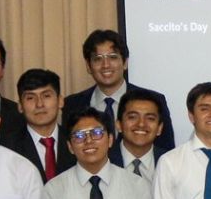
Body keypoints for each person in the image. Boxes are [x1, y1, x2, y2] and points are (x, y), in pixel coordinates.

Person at [62, 29, 176, 164]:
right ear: (88, 66)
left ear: (125, 62)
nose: (106, 65)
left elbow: (167, 153)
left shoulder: (154, 101)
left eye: (113, 57)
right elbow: (68, 156)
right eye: (98, 59)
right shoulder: (72, 104)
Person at [11, 68, 65, 180]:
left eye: (46, 96)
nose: (39, 104)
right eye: (30, 98)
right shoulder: (8, 147)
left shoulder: (76, 140)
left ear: (60, 101)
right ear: (20, 106)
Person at [117, 94, 165, 179]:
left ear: (159, 128)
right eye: (133, 117)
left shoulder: (173, 162)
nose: (141, 124)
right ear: (119, 125)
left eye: (150, 118)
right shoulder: (102, 160)